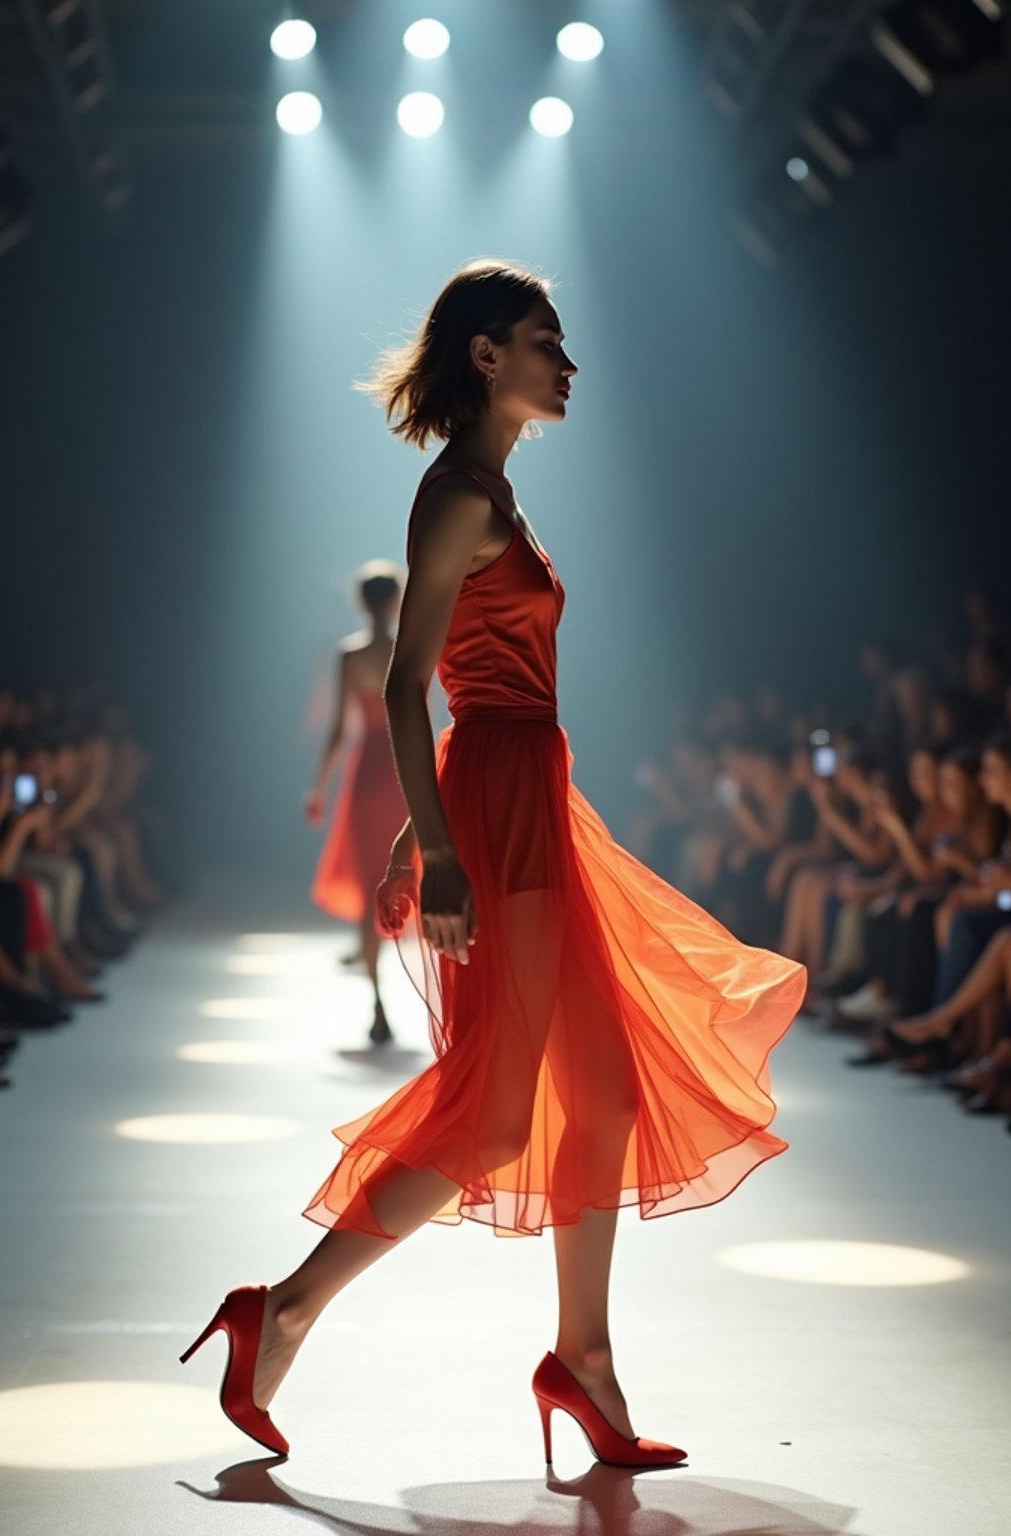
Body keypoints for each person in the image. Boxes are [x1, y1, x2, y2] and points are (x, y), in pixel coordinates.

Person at [180, 259, 806, 1469]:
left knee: (609, 1097)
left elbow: (463, 688)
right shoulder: (459, 495)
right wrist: (448, 849)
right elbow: (412, 688)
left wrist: (435, 826)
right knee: (499, 1107)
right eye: (543, 341)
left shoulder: (495, 497)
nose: (565, 364)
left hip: (523, 790)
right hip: (504, 809)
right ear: (485, 356)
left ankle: (584, 1359)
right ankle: (289, 1308)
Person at [306, 561, 409, 1045]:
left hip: (366, 770)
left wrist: (318, 788)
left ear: (361, 602)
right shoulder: (410, 649)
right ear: (395, 602)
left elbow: (336, 731)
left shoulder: (350, 656)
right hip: (403, 770)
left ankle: (378, 1003)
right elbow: (421, 719)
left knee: (373, 885)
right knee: (413, 880)